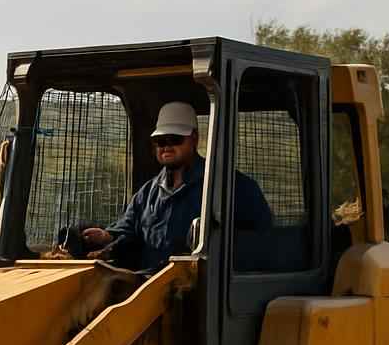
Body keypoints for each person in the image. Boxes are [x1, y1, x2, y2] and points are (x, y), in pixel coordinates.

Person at [82, 101, 273, 273]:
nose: (166, 147)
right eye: (160, 141)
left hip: (204, 292)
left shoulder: (233, 187)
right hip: (152, 290)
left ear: (194, 139)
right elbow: (128, 228)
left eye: (175, 139)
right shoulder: (147, 193)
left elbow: (260, 242)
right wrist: (107, 236)